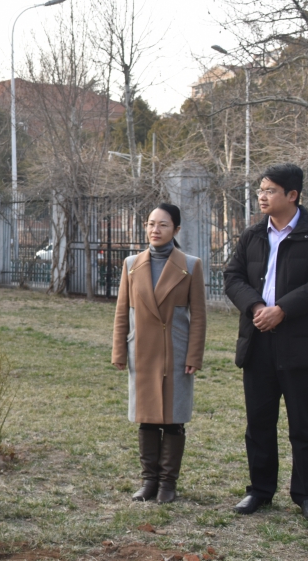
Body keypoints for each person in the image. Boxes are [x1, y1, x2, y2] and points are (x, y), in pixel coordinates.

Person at [224, 163, 308, 520]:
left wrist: (282, 310)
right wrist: (256, 306)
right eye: (260, 189)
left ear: (292, 195)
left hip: (302, 343)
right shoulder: (252, 235)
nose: (261, 196)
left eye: (270, 190)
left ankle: (307, 495)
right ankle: (259, 490)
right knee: (259, 422)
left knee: (303, 424)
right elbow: (233, 276)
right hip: (258, 341)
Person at [111, 203, 206, 503]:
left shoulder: (191, 265)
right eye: (151, 224)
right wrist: (119, 350)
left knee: (173, 418)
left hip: (176, 352)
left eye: (163, 225)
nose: (156, 230)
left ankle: (168, 483)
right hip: (142, 350)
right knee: (147, 417)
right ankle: (148, 481)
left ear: (176, 229)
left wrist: (194, 356)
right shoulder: (131, 264)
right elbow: (122, 312)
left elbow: (199, 316)